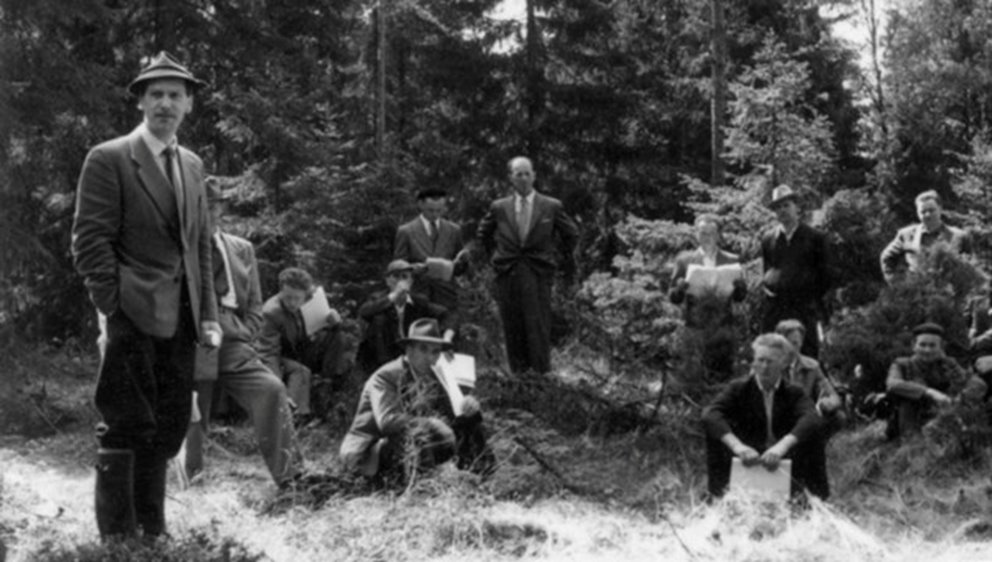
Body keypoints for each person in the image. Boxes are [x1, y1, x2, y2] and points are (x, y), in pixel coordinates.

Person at [71, 52, 220, 539]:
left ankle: (152, 529)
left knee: (170, 423)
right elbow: (90, 240)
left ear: (189, 104)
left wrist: (210, 315)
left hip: (182, 319)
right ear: (140, 102)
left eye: (175, 95)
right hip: (131, 313)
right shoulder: (110, 158)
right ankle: (117, 537)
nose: (165, 104)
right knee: (126, 421)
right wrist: (112, 304)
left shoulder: (193, 166)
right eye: (155, 94)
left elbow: (200, 246)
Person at [183, 182, 300, 486]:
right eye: (202, 205)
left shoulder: (241, 248)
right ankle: (191, 482)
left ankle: (292, 478)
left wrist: (245, 330)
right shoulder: (184, 248)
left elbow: (256, 302)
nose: (209, 211)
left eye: (213, 205)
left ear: (221, 207)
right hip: (196, 338)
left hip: (235, 339)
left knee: (272, 389)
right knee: (195, 408)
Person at [340, 318, 495, 485]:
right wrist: (431, 423)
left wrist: (469, 407)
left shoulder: (436, 376)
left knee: (470, 422)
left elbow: (454, 417)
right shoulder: (386, 376)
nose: (430, 358)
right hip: (369, 452)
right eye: (423, 349)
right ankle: (424, 488)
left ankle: (481, 479)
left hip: (411, 447)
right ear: (409, 350)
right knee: (419, 433)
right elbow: (387, 421)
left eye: (435, 352)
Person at [475, 156, 578, 374]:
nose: (523, 178)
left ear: (534, 176)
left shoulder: (551, 206)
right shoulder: (499, 207)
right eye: (518, 174)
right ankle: (518, 378)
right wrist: (498, 258)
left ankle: (541, 378)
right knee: (512, 326)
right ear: (511, 178)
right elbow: (483, 235)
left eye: (527, 173)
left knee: (537, 327)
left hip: (538, 274)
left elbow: (571, 234)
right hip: (508, 274)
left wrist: (553, 258)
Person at [702, 333, 827, 500]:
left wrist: (782, 446)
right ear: (754, 361)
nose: (764, 367)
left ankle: (815, 500)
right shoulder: (738, 389)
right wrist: (737, 446)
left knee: (813, 432)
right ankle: (718, 496)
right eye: (760, 360)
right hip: (748, 454)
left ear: (783, 363)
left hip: (784, 454)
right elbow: (710, 414)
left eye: (770, 361)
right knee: (715, 430)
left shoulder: (794, 392)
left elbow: (812, 417)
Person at [255, 267, 352, 422]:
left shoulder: (311, 297)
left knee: (338, 336)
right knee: (300, 371)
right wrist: (276, 386)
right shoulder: (271, 312)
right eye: (288, 297)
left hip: (302, 347)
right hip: (281, 356)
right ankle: (290, 415)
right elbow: (268, 353)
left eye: (297, 298)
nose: (292, 303)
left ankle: (327, 388)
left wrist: (334, 321)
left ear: (305, 295)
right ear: (281, 292)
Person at [669, 214, 747, 380]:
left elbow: (739, 298)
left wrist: (740, 287)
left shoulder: (731, 260)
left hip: (723, 328)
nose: (707, 237)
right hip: (695, 327)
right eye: (703, 233)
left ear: (718, 235)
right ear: (696, 234)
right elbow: (673, 298)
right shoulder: (684, 260)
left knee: (722, 377)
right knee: (694, 378)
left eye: (711, 233)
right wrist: (681, 288)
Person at [759, 184, 831, 358]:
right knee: (772, 354)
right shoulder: (769, 238)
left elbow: (825, 275)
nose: (782, 211)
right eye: (778, 207)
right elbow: (768, 270)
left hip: (803, 307)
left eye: (786, 205)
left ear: (797, 207)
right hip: (775, 308)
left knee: (806, 354)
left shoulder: (815, 238)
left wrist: (813, 300)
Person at [775, 319, 845, 499]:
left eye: (796, 343)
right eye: (788, 342)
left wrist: (826, 403)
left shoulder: (811, 366)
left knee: (837, 417)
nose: (792, 347)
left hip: (805, 419)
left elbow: (833, 395)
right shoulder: (767, 364)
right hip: (776, 419)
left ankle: (814, 480)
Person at [885, 322, 987, 439]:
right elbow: (892, 384)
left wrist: (957, 401)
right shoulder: (902, 364)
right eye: (922, 345)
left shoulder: (948, 363)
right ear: (913, 345)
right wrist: (929, 392)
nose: (927, 350)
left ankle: (939, 427)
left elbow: (974, 382)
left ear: (941, 347)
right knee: (906, 398)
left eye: (933, 345)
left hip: (941, 417)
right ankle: (913, 443)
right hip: (910, 422)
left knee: (976, 386)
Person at [357, 259, 451, 373]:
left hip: (407, 351)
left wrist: (447, 336)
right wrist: (395, 295)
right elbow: (364, 312)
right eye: (396, 276)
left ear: (411, 281)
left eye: (405, 277)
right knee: (379, 319)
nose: (401, 281)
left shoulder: (418, 302)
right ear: (387, 281)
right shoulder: (377, 299)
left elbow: (445, 314)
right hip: (381, 355)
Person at [393, 188, 470, 312]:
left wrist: (462, 263)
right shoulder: (406, 231)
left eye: (439, 211)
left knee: (448, 330)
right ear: (420, 205)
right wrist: (413, 268)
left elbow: (461, 270)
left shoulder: (454, 230)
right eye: (430, 210)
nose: (435, 214)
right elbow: (397, 268)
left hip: (447, 298)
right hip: (417, 298)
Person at [880, 190, 971, 285]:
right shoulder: (906, 235)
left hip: (949, 293)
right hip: (916, 294)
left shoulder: (959, 236)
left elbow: (969, 268)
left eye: (931, 210)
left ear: (940, 209)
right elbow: (886, 257)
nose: (927, 215)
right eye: (923, 212)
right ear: (917, 213)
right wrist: (896, 283)